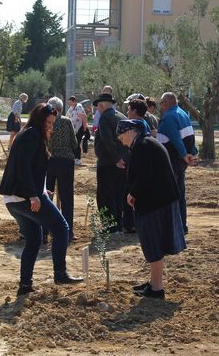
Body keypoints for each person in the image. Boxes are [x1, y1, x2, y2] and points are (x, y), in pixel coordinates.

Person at [0, 103, 82, 296]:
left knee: (34, 240)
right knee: (61, 228)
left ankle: (25, 285)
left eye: (52, 123)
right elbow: (23, 168)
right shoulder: (32, 135)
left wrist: (42, 190)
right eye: (48, 123)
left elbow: (31, 168)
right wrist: (34, 195)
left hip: (14, 199)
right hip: (25, 197)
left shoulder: (28, 134)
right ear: (39, 119)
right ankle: (60, 273)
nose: (50, 127)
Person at [118, 119, 186, 299]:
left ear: (130, 131)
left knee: (154, 245)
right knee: (156, 245)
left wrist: (132, 193)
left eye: (121, 137)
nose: (122, 141)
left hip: (156, 203)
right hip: (161, 200)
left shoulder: (144, 145)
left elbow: (145, 174)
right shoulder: (146, 142)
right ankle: (155, 283)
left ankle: (157, 288)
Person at [157, 92, 197, 234]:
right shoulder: (184, 114)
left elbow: (175, 139)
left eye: (161, 103)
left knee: (170, 193)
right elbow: (190, 136)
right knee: (180, 193)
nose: (160, 107)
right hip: (181, 162)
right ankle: (182, 225)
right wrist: (192, 152)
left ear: (166, 102)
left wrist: (184, 154)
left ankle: (172, 227)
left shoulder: (168, 117)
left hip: (171, 160)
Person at [94, 93, 131, 233]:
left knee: (105, 195)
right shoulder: (122, 116)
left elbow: (107, 140)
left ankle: (110, 226)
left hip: (108, 163)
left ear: (102, 105)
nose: (98, 109)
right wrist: (123, 158)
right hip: (123, 162)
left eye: (98, 106)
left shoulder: (105, 118)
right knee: (118, 194)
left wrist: (116, 159)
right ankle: (118, 225)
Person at [47, 97, 78, 240]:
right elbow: (74, 143)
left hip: (48, 160)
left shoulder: (45, 122)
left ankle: (45, 231)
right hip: (65, 161)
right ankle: (68, 231)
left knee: (47, 195)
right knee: (66, 197)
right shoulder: (66, 121)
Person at [67, 96, 88, 165]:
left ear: (74, 101)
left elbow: (84, 117)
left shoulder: (78, 106)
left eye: (70, 102)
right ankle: (74, 157)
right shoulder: (71, 108)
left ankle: (78, 159)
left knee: (77, 143)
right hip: (73, 129)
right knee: (73, 143)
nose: (69, 103)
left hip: (79, 128)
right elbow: (67, 116)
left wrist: (85, 127)